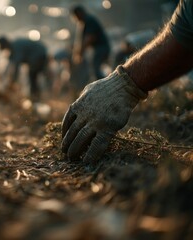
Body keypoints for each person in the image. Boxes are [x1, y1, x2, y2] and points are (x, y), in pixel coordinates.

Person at [61, 0, 193, 163]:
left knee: (95, 66)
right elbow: (184, 40)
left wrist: (120, 86)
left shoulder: (91, 22)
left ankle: (99, 79)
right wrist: (125, 84)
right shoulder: (187, 8)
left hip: (102, 49)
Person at [0, 36, 49, 102]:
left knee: (32, 75)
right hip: (40, 53)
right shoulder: (14, 46)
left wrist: (13, 81)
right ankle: (35, 96)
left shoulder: (16, 47)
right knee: (33, 76)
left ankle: (35, 97)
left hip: (39, 55)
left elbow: (16, 65)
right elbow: (13, 61)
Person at [70, 5, 111, 80]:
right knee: (96, 69)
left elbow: (90, 38)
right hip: (100, 48)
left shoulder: (88, 20)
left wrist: (80, 52)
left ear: (78, 14)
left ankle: (103, 85)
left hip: (101, 48)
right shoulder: (86, 21)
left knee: (96, 70)